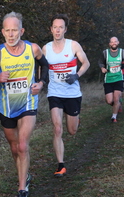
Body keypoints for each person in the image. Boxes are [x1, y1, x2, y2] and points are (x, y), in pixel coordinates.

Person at [0, 12, 48, 197]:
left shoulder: (33, 49)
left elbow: (44, 65)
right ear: (2, 32)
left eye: (14, 30)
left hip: (28, 103)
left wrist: (41, 83)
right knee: (15, 148)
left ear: (21, 31)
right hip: (6, 107)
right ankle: (26, 175)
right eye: (7, 30)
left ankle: (22, 190)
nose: (11, 34)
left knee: (23, 146)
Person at [42, 14, 90, 177]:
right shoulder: (46, 48)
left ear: (65, 29)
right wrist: (41, 81)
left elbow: (86, 63)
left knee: (72, 130)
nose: (57, 30)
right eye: (55, 27)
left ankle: (75, 119)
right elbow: (42, 67)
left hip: (72, 93)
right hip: (54, 93)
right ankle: (60, 165)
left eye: (60, 27)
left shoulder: (73, 45)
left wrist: (77, 75)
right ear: (51, 29)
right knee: (57, 128)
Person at [98, 37, 124, 123]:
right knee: (110, 101)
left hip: (118, 78)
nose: (114, 43)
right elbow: (100, 62)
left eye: (115, 41)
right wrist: (102, 68)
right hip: (108, 79)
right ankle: (118, 104)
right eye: (112, 42)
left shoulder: (122, 52)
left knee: (116, 99)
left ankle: (114, 117)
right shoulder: (105, 53)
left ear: (118, 42)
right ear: (109, 44)